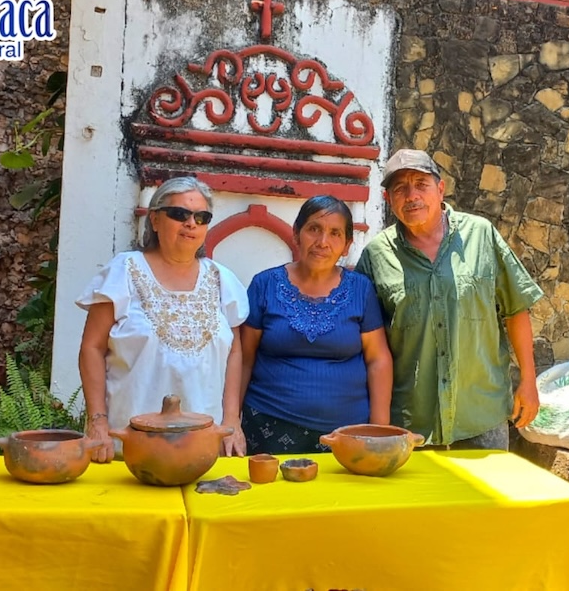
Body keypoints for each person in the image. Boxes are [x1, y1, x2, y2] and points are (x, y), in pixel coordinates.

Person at [355, 149, 543, 450]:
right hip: (410, 424)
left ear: (440, 189)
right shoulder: (377, 255)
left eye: (421, 184)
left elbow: (516, 308)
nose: (411, 195)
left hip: (482, 415)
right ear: (388, 199)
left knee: (488, 498)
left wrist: (529, 381)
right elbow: (368, 343)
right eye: (400, 189)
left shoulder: (481, 235)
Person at [77, 177, 248, 463]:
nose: (191, 223)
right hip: (131, 443)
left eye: (201, 217)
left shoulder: (222, 280)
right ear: (155, 220)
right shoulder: (124, 272)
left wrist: (231, 422)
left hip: (202, 445)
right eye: (179, 214)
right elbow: (91, 348)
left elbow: (235, 352)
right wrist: (97, 422)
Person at [232, 195, 393, 456]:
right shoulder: (265, 285)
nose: (322, 242)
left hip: (347, 435)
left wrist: (379, 430)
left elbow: (378, 360)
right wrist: (231, 422)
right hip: (268, 428)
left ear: (346, 245)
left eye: (335, 233)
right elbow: (243, 359)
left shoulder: (360, 290)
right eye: (314, 229)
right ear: (296, 234)